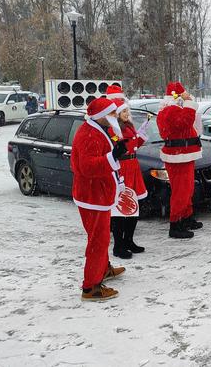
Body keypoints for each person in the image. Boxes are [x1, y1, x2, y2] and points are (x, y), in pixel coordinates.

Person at [71, 97, 128, 301]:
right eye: (111, 113)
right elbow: (87, 167)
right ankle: (91, 287)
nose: (115, 116)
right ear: (101, 116)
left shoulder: (99, 129)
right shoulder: (88, 134)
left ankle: (103, 269)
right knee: (98, 239)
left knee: (101, 237)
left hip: (99, 193)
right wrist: (113, 158)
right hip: (92, 196)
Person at [157, 82, 203, 238]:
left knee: (187, 189)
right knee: (180, 192)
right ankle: (175, 224)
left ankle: (186, 217)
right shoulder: (170, 111)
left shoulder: (174, 110)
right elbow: (184, 122)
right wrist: (189, 103)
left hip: (184, 154)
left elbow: (192, 124)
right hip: (177, 156)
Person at [109, 99, 147, 259]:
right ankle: (118, 245)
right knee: (121, 209)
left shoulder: (128, 126)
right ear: (117, 114)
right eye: (124, 112)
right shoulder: (114, 129)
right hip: (123, 168)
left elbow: (134, 144)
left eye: (127, 111)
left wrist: (141, 135)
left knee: (134, 207)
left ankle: (129, 240)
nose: (127, 114)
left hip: (133, 167)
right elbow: (117, 147)